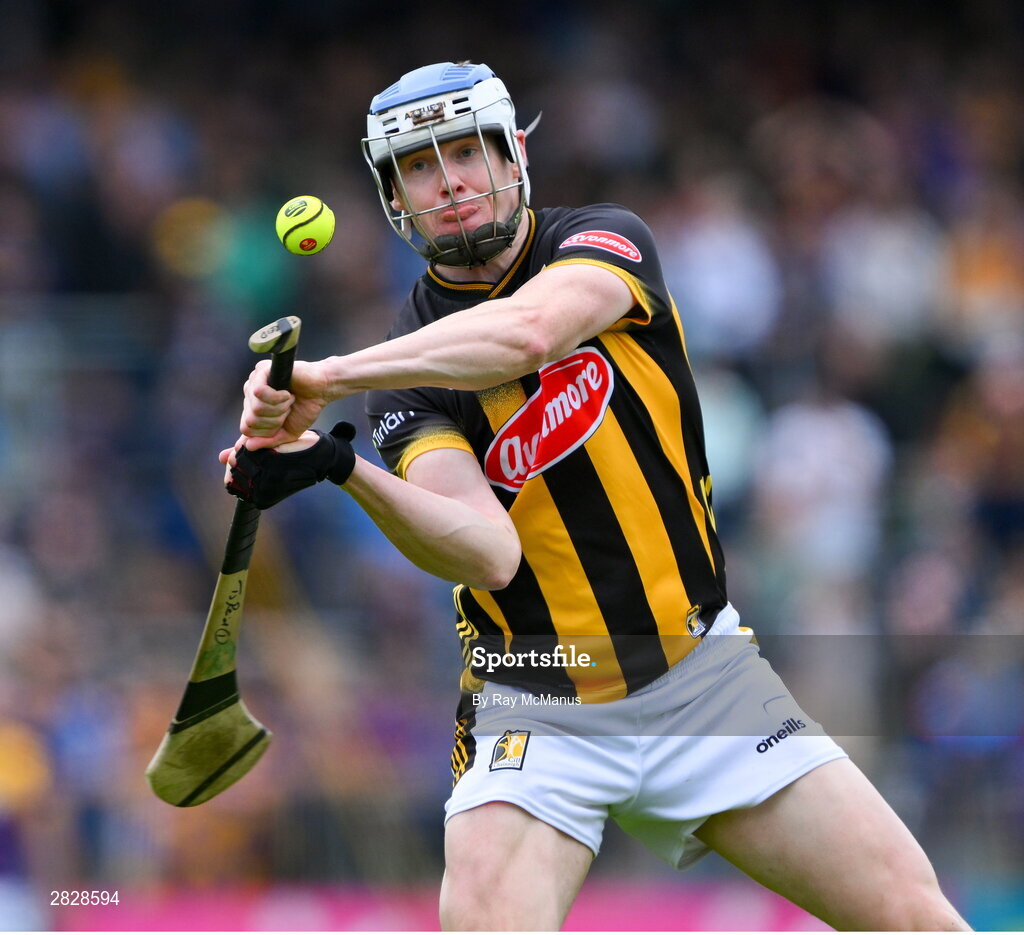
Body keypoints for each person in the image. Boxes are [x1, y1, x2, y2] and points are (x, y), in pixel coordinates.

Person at [221, 62, 970, 931]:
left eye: (465, 151)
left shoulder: (605, 240)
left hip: (704, 680)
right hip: (537, 702)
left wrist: (330, 376)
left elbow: (529, 332)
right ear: (393, 194)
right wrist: (338, 466)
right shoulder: (409, 383)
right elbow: (486, 551)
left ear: (514, 154)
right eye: (420, 166)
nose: (450, 181)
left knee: (920, 920)